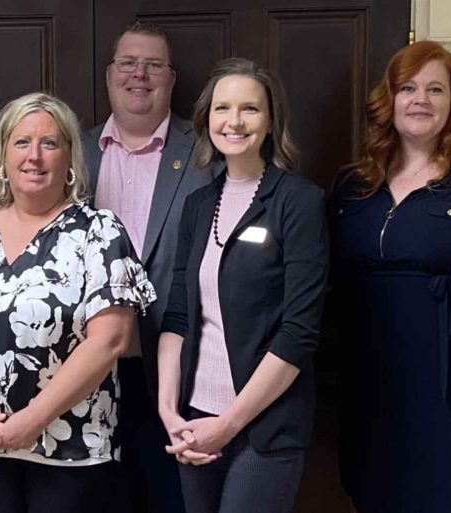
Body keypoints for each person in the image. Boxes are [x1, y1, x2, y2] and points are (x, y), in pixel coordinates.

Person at [0, 92, 156, 513]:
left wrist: (32, 420)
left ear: (70, 157)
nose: (34, 156)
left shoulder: (99, 232)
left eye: (50, 143)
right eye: (21, 142)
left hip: (71, 443)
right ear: (1, 155)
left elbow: (110, 340)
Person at [157, 58, 329, 513]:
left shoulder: (299, 201)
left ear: (271, 121)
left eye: (250, 109)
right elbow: (178, 316)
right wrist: (168, 411)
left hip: (263, 428)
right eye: (222, 109)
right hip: (193, 420)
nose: (234, 121)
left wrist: (228, 424)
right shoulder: (198, 206)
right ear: (206, 119)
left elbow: (299, 332)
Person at [330, 41, 451, 513]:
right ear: (390, 99)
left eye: (435, 89)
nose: (420, 99)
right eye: (408, 87)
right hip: (373, 381)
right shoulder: (352, 187)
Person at [82, 22, 215, 513]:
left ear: (172, 78)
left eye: (153, 64)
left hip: (179, 361)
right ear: (109, 74)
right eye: (128, 63)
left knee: (172, 495)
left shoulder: (207, 151)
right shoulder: (73, 150)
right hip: (88, 365)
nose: (139, 74)